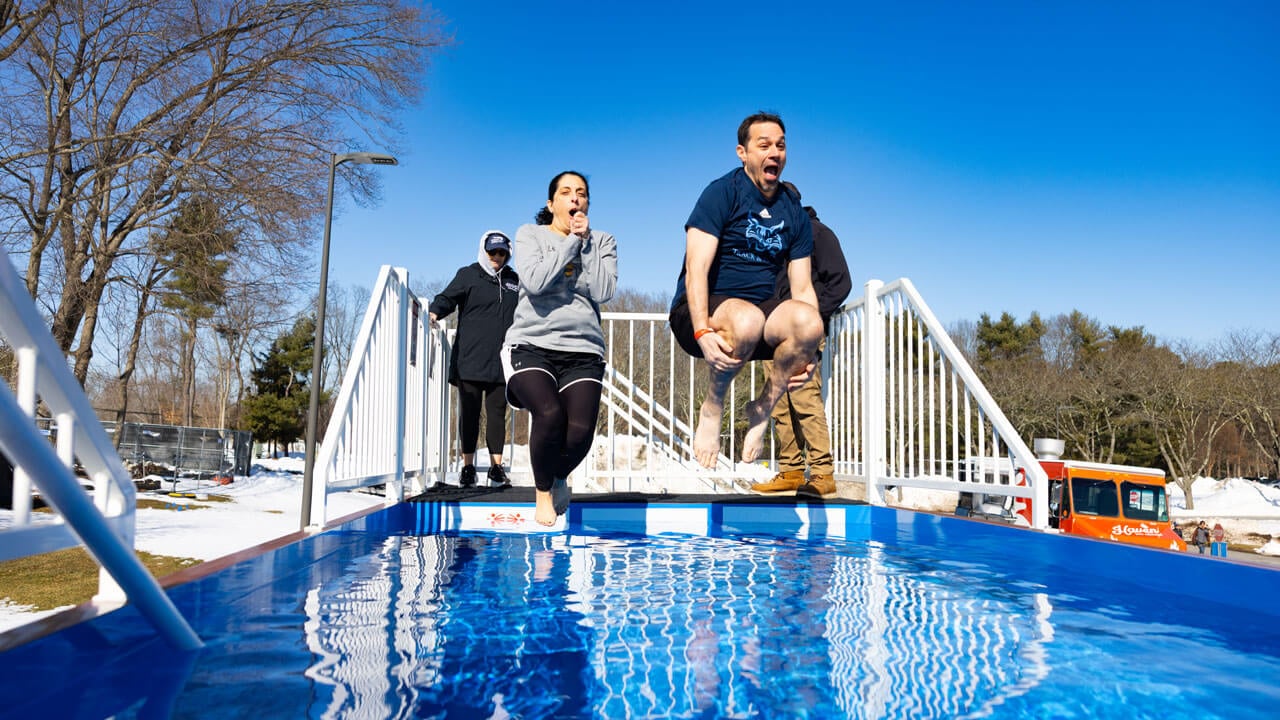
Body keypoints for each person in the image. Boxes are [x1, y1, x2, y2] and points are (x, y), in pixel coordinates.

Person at [669, 111, 824, 469]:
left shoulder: (794, 212)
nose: (774, 153)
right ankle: (713, 406)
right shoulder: (722, 193)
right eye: (764, 145)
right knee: (748, 320)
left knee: (811, 324)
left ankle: (762, 408)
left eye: (781, 146)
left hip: (759, 313)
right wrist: (703, 329)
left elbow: (801, 288)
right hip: (702, 310)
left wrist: (811, 351)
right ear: (743, 152)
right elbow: (696, 269)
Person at [502, 171, 618, 526]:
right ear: (552, 203)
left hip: (583, 350)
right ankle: (541, 493)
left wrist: (585, 243)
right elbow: (534, 283)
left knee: (581, 431)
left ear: (587, 204)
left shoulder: (603, 240)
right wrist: (569, 244)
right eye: (566, 192)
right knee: (550, 414)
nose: (574, 198)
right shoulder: (530, 234)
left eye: (581, 193)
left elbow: (603, 292)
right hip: (532, 344)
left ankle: (558, 477)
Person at [749, 181, 851, 499]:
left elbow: (840, 282)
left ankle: (822, 473)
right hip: (774, 336)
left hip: (802, 336)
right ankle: (791, 471)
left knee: (805, 401)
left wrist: (810, 316)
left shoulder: (818, 233)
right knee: (779, 406)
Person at [429, 231, 521, 488]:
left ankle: (496, 468)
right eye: (493, 252)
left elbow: (530, 309)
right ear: (484, 251)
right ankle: (467, 468)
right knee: (469, 414)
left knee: (496, 414)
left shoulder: (514, 280)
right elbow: (447, 297)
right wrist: (435, 312)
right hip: (469, 359)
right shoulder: (468, 275)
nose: (497, 257)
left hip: (501, 360)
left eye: (502, 252)